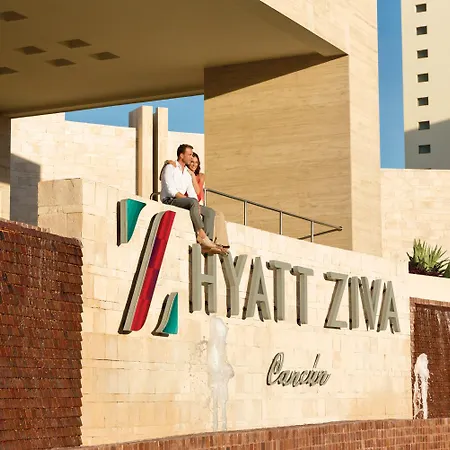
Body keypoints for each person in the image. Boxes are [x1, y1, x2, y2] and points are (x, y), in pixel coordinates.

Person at [160, 144, 225, 255]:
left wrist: (196, 205)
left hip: (184, 201)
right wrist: (191, 201)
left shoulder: (187, 173)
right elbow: (171, 191)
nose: (191, 157)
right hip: (170, 200)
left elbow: (193, 194)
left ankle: (206, 242)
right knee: (193, 202)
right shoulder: (170, 167)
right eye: (189, 155)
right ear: (181, 155)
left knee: (209, 212)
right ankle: (201, 234)